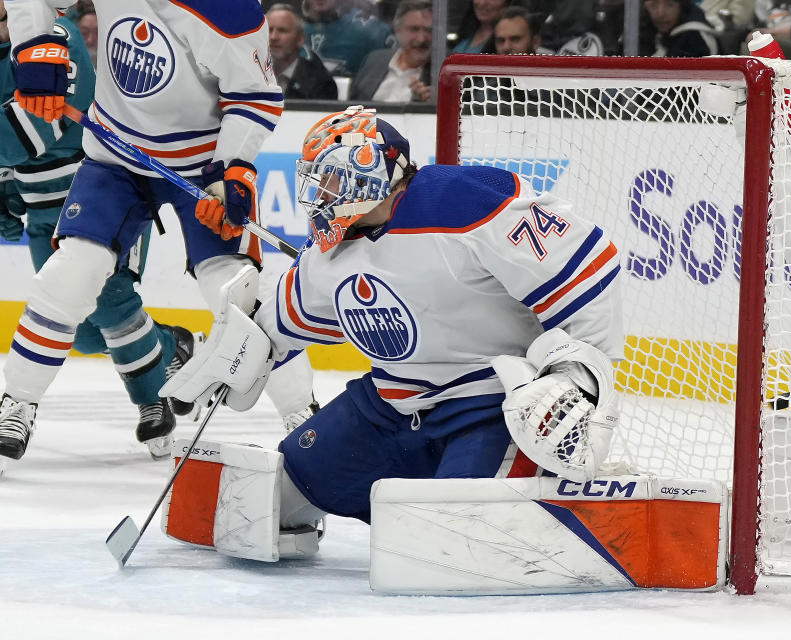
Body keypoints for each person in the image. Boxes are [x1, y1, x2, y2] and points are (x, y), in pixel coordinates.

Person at [159, 106, 623, 559]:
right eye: (315, 180)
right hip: (387, 406)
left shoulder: (464, 202)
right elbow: (277, 324)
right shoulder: (329, 253)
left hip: (487, 406)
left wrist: (579, 381)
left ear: (374, 171)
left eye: (333, 179)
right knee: (266, 503)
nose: (320, 194)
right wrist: (229, 356)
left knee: (447, 542)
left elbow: (586, 270)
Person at [0, 0, 319, 468]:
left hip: (200, 165)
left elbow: (254, 96)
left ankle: (302, 413)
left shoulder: (230, 10)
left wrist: (233, 169)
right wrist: (35, 46)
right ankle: (18, 402)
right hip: (115, 152)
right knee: (71, 272)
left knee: (234, 292)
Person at [0, 0, 200, 471]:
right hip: (39, 208)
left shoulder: (56, 36)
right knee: (84, 335)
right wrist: (6, 190)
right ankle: (173, 346)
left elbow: (38, 126)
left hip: (97, 190)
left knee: (110, 301)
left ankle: (151, 401)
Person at [350, 0, 433, 103]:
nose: (421, 39)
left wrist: (426, 105)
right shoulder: (375, 60)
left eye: (429, 31)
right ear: (397, 30)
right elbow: (351, 106)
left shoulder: (446, 72)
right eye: (414, 29)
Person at [301, 0, 392, 77]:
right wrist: (285, 98)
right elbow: (285, 85)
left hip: (353, 95)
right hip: (296, 96)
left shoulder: (371, 29)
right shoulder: (292, 27)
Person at [266, 4, 337, 100]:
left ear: (300, 39)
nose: (273, 37)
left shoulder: (321, 82)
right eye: (269, 30)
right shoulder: (250, 73)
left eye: (282, 31)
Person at [638, 0, 718, 57]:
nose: (661, 13)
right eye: (653, 4)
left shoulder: (693, 38)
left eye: (670, 4)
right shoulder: (646, 30)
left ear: (682, 6)